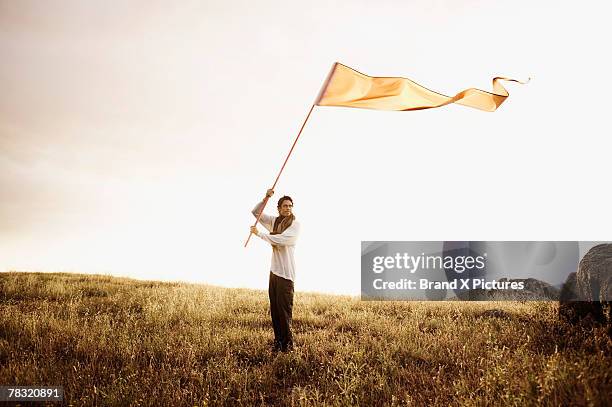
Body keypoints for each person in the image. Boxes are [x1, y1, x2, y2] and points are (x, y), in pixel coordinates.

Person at [250, 189, 300, 352]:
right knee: (275, 312)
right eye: (285, 206)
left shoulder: (295, 225)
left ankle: (288, 347)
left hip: (286, 275)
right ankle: (278, 343)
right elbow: (256, 212)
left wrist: (260, 235)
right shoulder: (274, 222)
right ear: (279, 208)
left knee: (284, 313)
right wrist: (266, 197)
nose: (288, 208)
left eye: (290, 206)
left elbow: (281, 240)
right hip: (274, 273)